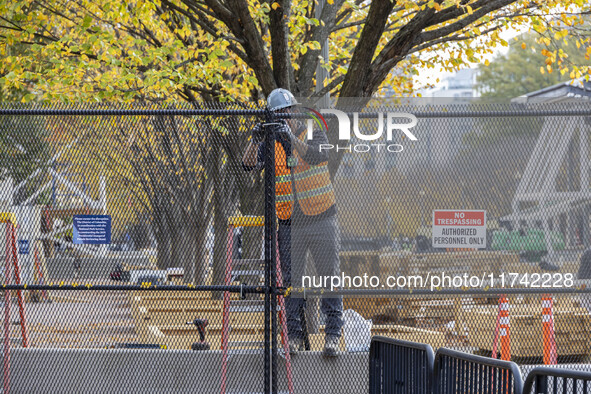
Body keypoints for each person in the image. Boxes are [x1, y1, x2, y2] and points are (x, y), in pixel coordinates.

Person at [242, 88, 343, 357]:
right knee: (291, 282)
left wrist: (291, 141)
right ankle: (294, 336)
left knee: (330, 277)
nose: (282, 118)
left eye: (285, 113)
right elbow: (248, 165)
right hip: (289, 223)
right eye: (277, 115)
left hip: (322, 217)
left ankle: (333, 334)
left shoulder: (312, 133)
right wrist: (255, 141)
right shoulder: (270, 144)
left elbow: (317, 156)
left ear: (294, 112)